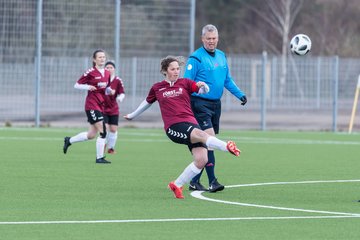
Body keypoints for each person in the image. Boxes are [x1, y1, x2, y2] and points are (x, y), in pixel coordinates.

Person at [124, 56, 241, 199]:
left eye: (178, 69)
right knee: (201, 134)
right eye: (173, 69)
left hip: (191, 124)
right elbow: (147, 102)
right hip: (174, 126)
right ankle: (226, 146)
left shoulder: (184, 83)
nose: (176, 72)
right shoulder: (157, 87)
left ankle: (177, 184)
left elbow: (201, 91)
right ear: (165, 71)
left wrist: (203, 86)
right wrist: (133, 115)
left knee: (202, 160)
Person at [183, 24, 247, 192]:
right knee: (210, 140)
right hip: (199, 104)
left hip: (215, 105)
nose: (211, 42)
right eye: (208, 39)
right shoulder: (195, 58)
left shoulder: (221, 56)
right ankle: (213, 181)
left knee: (208, 143)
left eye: (214, 38)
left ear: (218, 38)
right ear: (202, 39)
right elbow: (186, 83)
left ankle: (194, 181)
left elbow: (227, 80)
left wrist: (239, 94)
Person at [63, 49, 114, 164]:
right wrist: (88, 87)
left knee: (91, 135)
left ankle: (69, 140)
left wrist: (109, 91)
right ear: (94, 59)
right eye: (100, 57)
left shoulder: (107, 73)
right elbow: (76, 85)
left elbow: (105, 89)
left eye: (103, 57)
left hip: (100, 105)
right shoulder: (90, 72)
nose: (102, 59)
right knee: (103, 131)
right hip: (91, 105)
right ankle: (99, 158)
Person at [103, 61, 125, 154]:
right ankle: (102, 145)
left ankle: (111, 148)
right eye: (107, 67)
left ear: (114, 69)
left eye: (111, 67)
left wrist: (120, 98)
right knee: (105, 128)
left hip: (114, 109)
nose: (109, 69)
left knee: (113, 129)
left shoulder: (117, 80)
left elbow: (122, 93)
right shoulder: (102, 80)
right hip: (103, 108)